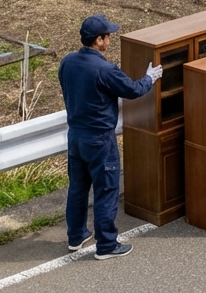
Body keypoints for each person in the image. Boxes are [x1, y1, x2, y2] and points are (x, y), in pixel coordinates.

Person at [57, 14, 162, 260]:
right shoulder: (105, 69)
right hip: (100, 139)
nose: (110, 40)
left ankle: (76, 236)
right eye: (108, 36)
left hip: (76, 136)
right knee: (106, 189)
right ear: (99, 40)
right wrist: (150, 77)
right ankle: (106, 245)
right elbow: (133, 90)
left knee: (78, 188)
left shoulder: (67, 62)